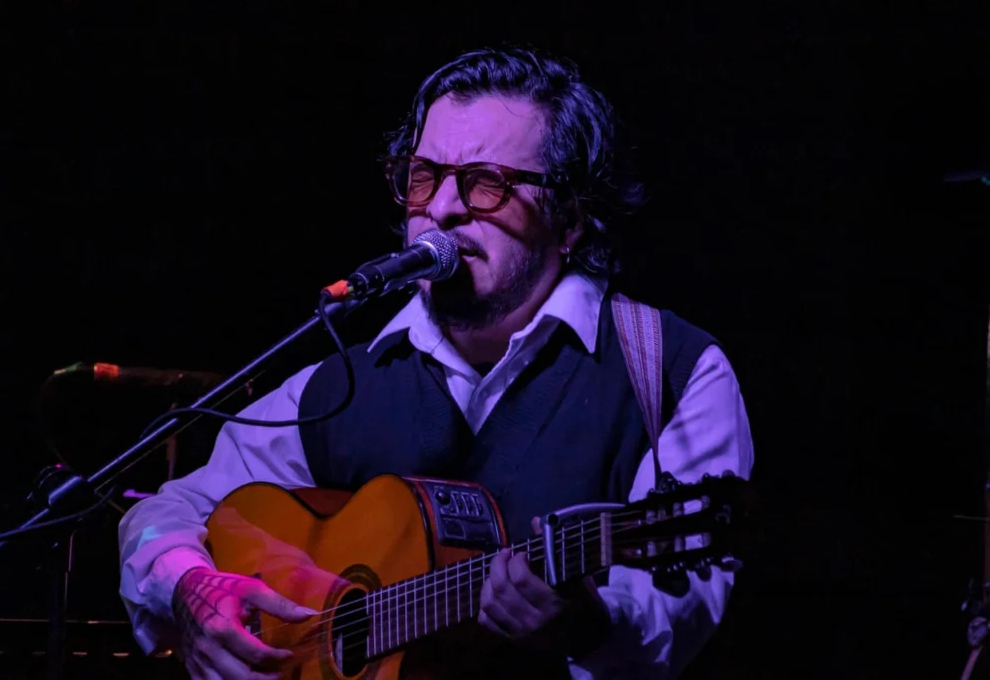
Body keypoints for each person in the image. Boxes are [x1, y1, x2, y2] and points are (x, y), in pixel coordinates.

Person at [118, 46, 754, 680]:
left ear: (568, 218)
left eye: (486, 183)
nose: (441, 209)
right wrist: (189, 587)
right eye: (423, 177)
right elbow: (162, 515)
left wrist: (588, 628)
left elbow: (678, 621)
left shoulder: (668, 370)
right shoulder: (340, 384)